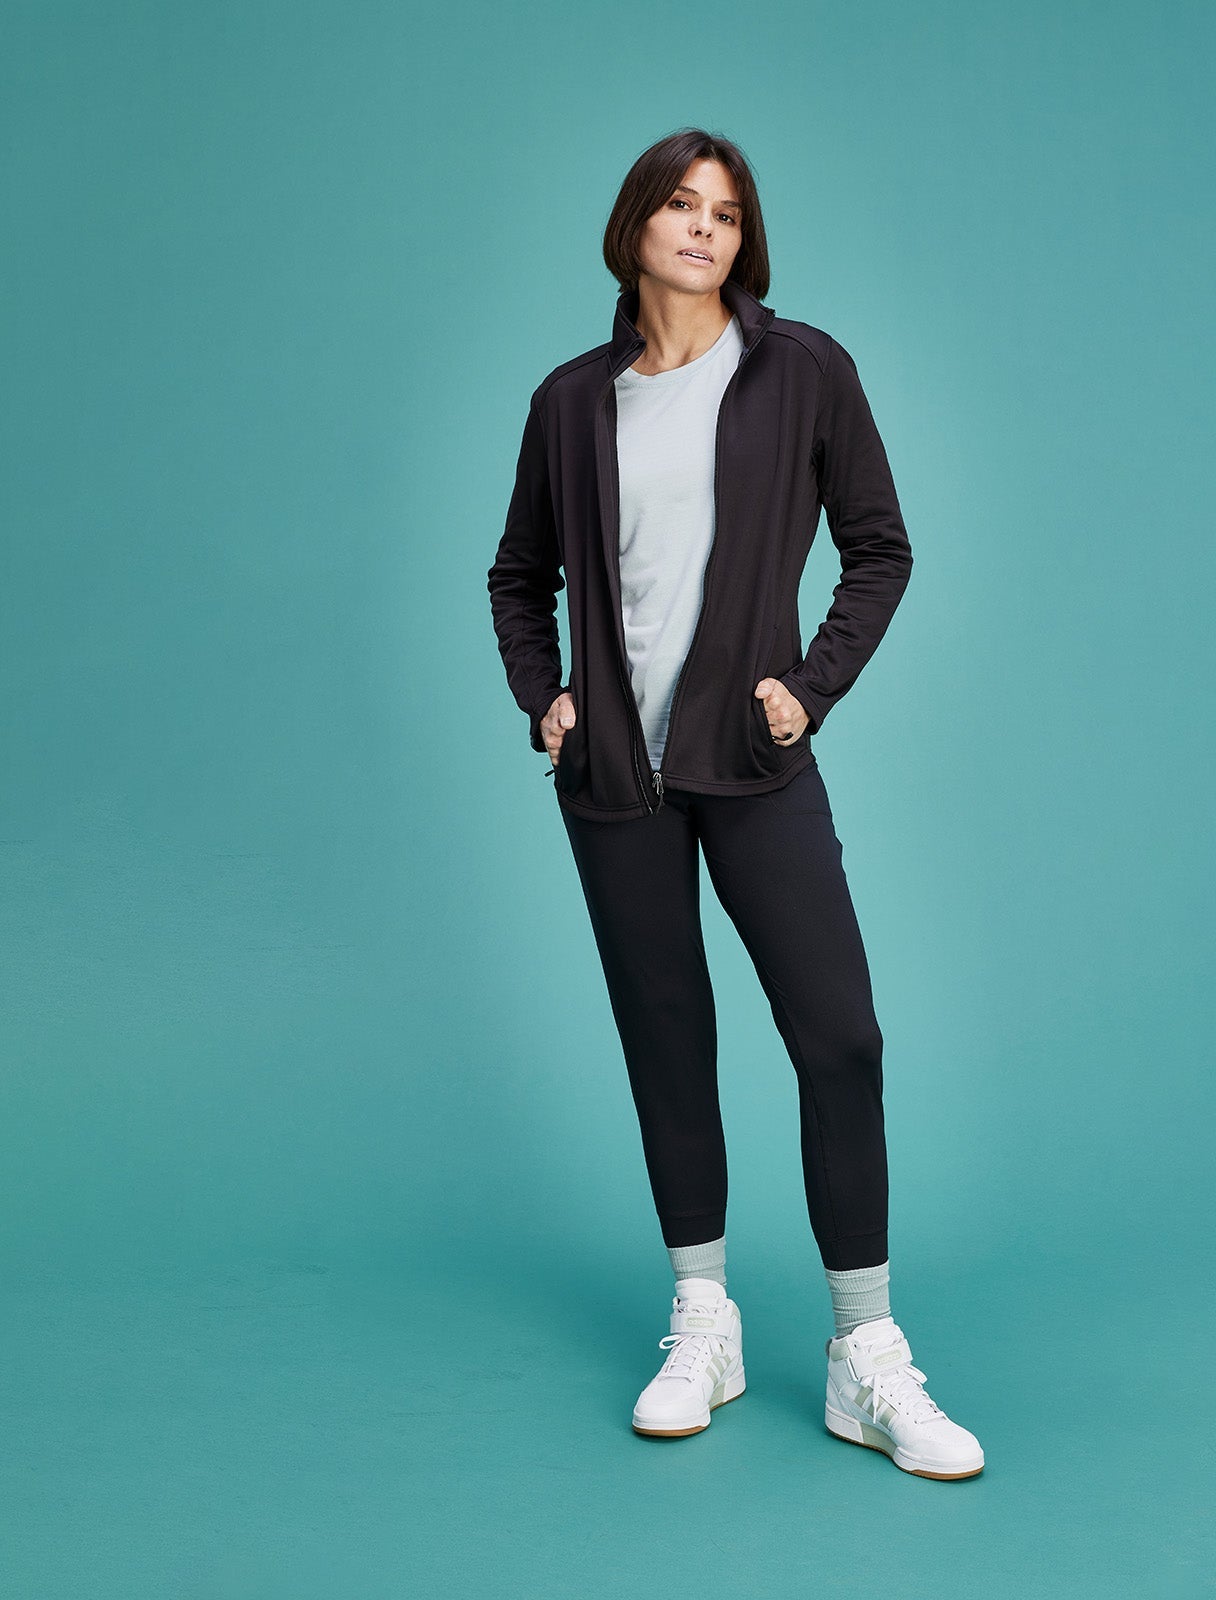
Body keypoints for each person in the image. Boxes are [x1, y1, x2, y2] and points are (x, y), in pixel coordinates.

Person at [487, 128, 984, 1480]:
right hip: (615, 781)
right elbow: (519, 573)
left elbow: (878, 548)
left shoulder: (801, 370)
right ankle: (702, 1318)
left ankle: (864, 1351)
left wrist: (809, 688)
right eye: (679, 205)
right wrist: (546, 698)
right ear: (635, 227)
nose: (704, 228)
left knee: (841, 1037)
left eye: (725, 212)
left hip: (753, 762)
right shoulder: (571, 402)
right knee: (667, 1042)